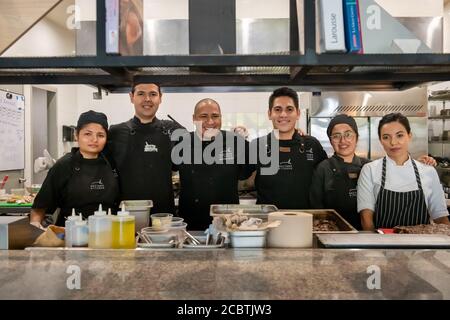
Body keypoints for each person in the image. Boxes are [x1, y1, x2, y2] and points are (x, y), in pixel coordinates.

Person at [357, 113, 450, 230]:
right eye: (386, 137)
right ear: (380, 140)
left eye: (399, 135)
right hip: (383, 245)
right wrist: (375, 246)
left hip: (421, 245)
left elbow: (440, 216)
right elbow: (366, 220)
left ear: (409, 136)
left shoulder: (428, 171)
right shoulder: (370, 170)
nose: (393, 142)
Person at [173, 98, 253, 230]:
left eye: (215, 116)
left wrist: (297, 133)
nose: (210, 121)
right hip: (190, 225)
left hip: (229, 224)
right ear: (194, 118)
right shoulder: (181, 143)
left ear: (221, 118)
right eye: (203, 116)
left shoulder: (237, 143)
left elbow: (253, 172)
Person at [30, 111, 119, 227]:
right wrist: (35, 224)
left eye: (100, 135)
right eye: (88, 134)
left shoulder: (112, 163)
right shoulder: (63, 166)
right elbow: (40, 207)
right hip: (70, 234)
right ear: (76, 135)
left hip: (108, 233)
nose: (94, 139)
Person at [107, 81, 184, 215]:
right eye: (141, 94)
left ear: (160, 98)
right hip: (126, 216)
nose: (147, 99)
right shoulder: (116, 132)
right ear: (131, 97)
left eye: (153, 94)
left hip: (163, 216)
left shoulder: (173, 130)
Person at [251, 87, 328, 209]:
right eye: (277, 109)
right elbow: (237, 174)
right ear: (269, 114)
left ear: (298, 113)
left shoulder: (312, 145)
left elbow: (326, 179)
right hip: (267, 221)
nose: (283, 114)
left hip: (304, 221)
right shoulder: (257, 146)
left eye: (289, 109)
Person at [310, 115, 369, 230]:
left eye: (348, 134)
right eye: (336, 136)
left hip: (366, 234)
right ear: (331, 141)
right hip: (332, 233)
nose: (343, 141)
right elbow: (315, 208)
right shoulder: (323, 168)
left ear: (356, 137)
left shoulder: (369, 167)